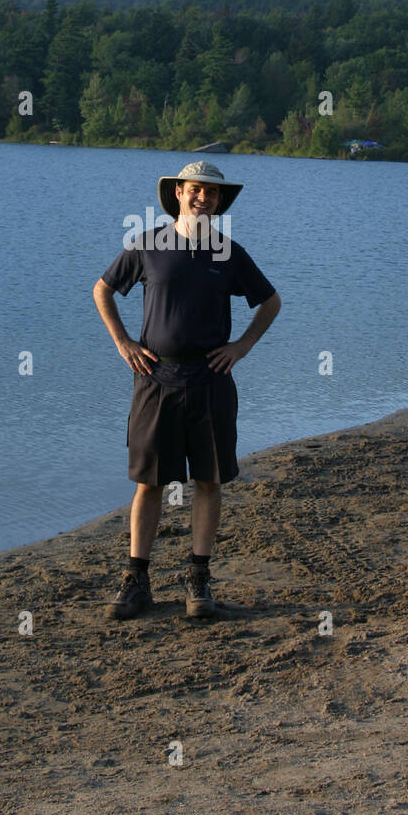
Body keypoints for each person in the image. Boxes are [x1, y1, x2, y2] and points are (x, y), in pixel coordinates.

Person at [93, 160, 281, 621]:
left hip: (211, 382)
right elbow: (102, 289)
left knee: (209, 480)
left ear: (219, 202)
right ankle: (137, 581)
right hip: (155, 380)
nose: (203, 199)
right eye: (196, 190)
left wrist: (242, 346)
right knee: (149, 482)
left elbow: (270, 301)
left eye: (212, 194)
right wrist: (122, 342)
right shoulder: (148, 245)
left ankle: (198, 579)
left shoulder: (227, 252)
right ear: (178, 192)